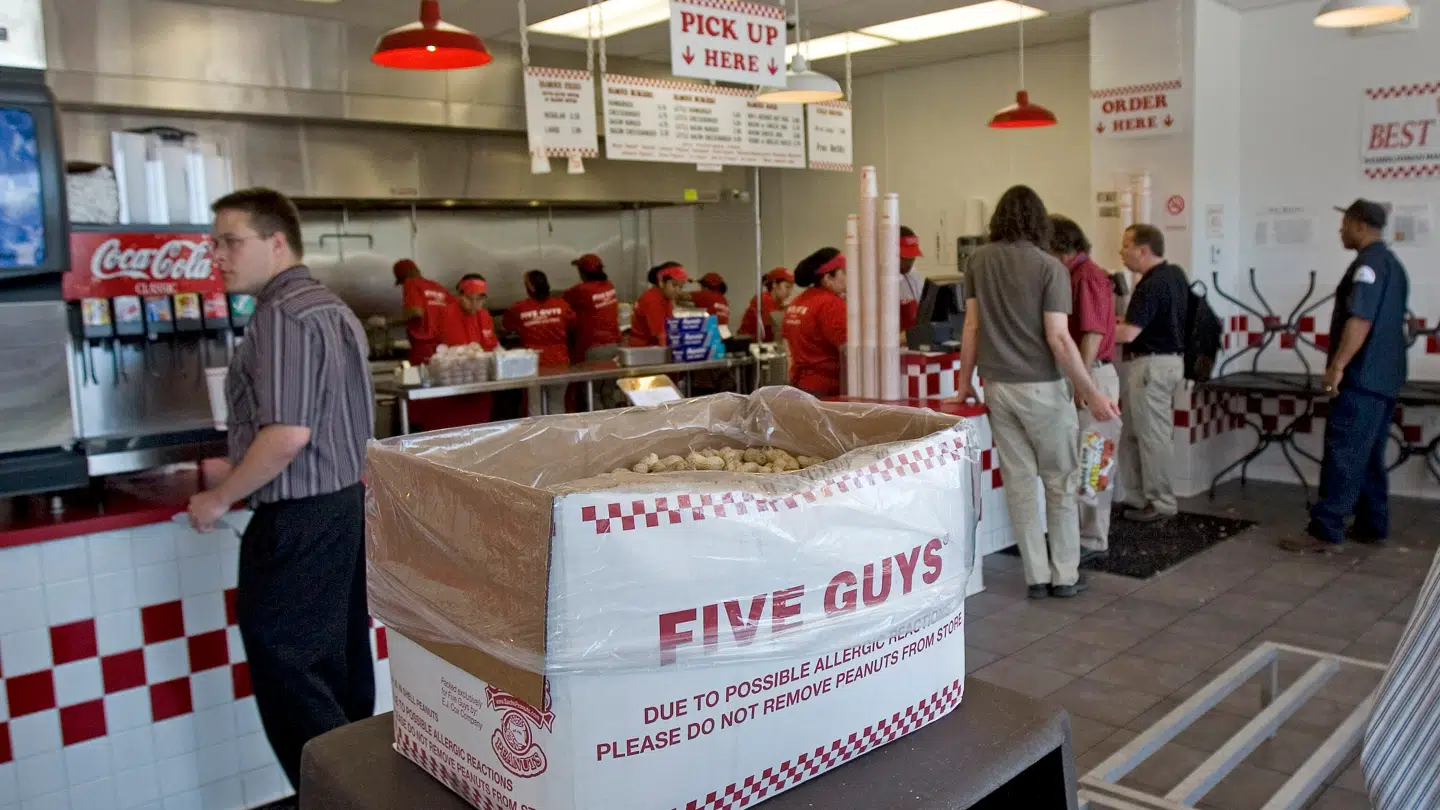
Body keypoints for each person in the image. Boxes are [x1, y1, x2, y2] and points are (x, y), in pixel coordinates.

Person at [186, 188, 374, 794]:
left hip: (297, 522)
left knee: (294, 675)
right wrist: (241, 468)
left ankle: (334, 800)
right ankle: (364, 796)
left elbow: (289, 434)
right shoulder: (329, 307)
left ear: (276, 242)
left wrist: (219, 498)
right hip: (343, 510)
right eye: (215, 242)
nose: (217, 255)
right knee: (339, 670)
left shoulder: (282, 314)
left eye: (230, 241)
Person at [953, 186, 1118, 599]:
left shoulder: (978, 261)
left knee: (1021, 484)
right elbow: (1060, 339)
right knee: (1060, 483)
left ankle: (1035, 577)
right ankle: (1064, 575)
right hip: (1043, 389)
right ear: (1040, 222)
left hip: (997, 390)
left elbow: (971, 327)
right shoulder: (1050, 268)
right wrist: (1092, 393)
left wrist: (963, 384)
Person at [1283, 200, 1410, 553]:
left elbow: (1361, 319)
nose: (1340, 230)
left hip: (1362, 378)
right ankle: (1372, 523)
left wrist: (1337, 366)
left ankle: (1325, 529)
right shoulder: (1393, 264)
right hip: (1384, 378)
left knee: (1344, 452)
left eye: (1344, 224)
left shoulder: (1368, 265)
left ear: (1358, 225)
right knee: (1368, 453)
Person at [1050, 215, 1119, 563]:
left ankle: (1092, 539)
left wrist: (1085, 384)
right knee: (1083, 459)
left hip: (1095, 378)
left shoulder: (1087, 277)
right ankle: (1081, 536)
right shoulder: (1078, 274)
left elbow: (1091, 333)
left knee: (1093, 461)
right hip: (1090, 378)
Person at [1113, 224, 1190, 524]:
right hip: (1170, 363)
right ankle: (1138, 498)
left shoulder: (1150, 284)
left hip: (1151, 368)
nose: (1122, 252)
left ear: (1143, 250)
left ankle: (1160, 502)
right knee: (1136, 433)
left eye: (1125, 246)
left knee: (1151, 437)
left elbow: (1129, 334)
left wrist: (1098, 330)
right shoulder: (1176, 275)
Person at [504, 270, 576, 416]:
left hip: (532, 364)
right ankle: (558, 437)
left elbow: (507, 326)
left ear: (530, 287)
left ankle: (537, 438)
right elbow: (573, 324)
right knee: (557, 407)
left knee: (534, 408)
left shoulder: (519, 308)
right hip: (559, 362)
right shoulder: (561, 305)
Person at [783, 248, 848, 397]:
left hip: (800, 386)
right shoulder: (831, 304)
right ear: (828, 278)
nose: (847, 277)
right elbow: (849, 350)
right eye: (843, 272)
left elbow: (788, 346)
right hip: (827, 391)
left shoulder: (797, 301)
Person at [563, 253, 621, 362]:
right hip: (614, 343)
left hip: (593, 347)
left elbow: (561, 302)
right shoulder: (609, 286)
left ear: (583, 272)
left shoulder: (580, 290)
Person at [395, 258, 452, 366]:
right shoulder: (438, 287)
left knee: (422, 381)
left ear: (404, 276)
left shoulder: (410, 283)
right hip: (445, 349)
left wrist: (389, 321)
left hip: (423, 349)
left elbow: (416, 312)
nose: (403, 284)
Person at [630, 264, 688, 347]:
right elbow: (661, 335)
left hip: (652, 347)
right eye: (674, 285)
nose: (678, 291)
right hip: (642, 350)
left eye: (681, 287)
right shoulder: (652, 300)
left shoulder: (666, 298)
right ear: (661, 282)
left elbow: (670, 326)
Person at [738, 268, 794, 342]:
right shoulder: (763, 299)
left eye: (791, 288)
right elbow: (778, 324)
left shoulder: (778, 303)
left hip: (762, 343)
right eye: (787, 287)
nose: (789, 292)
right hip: (748, 344)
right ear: (774, 284)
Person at [899, 226, 925, 334]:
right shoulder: (879, 280)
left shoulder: (913, 277)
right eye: (906, 257)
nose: (911, 261)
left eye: (913, 256)